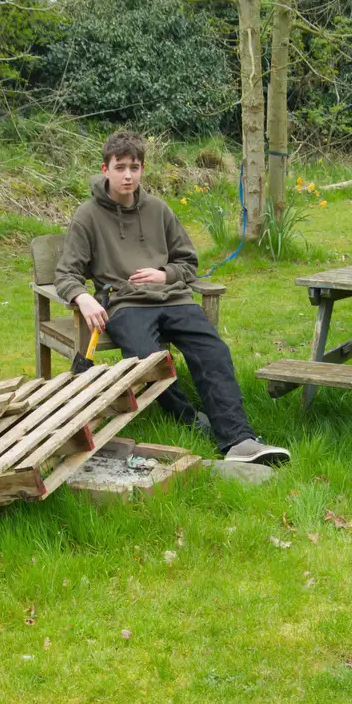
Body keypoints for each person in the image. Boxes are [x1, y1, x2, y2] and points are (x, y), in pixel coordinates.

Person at [54, 130, 290, 466]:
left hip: (173, 298)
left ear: (142, 169)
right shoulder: (87, 216)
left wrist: (165, 274)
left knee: (214, 351)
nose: (128, 175)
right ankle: (190, 420)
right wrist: (83, 297)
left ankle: (239, 440)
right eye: (120, 167)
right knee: (149, 363)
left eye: (134, 167)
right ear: (105, 169)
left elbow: (188, 262)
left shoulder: (158, 210)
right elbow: (66, 273)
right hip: (127, 304)